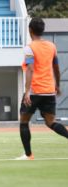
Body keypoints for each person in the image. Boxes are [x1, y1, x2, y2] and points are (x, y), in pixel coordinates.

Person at [16, 18, 68, 160]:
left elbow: (30, 70)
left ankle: (29, 155)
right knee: (51, 122)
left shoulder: (29, 48)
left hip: (34, 92)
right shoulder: (52, 46)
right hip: (49, 90)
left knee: (24, 121)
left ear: (30, 30)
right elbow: (56, 67)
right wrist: (57, 84)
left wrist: (27, 92)